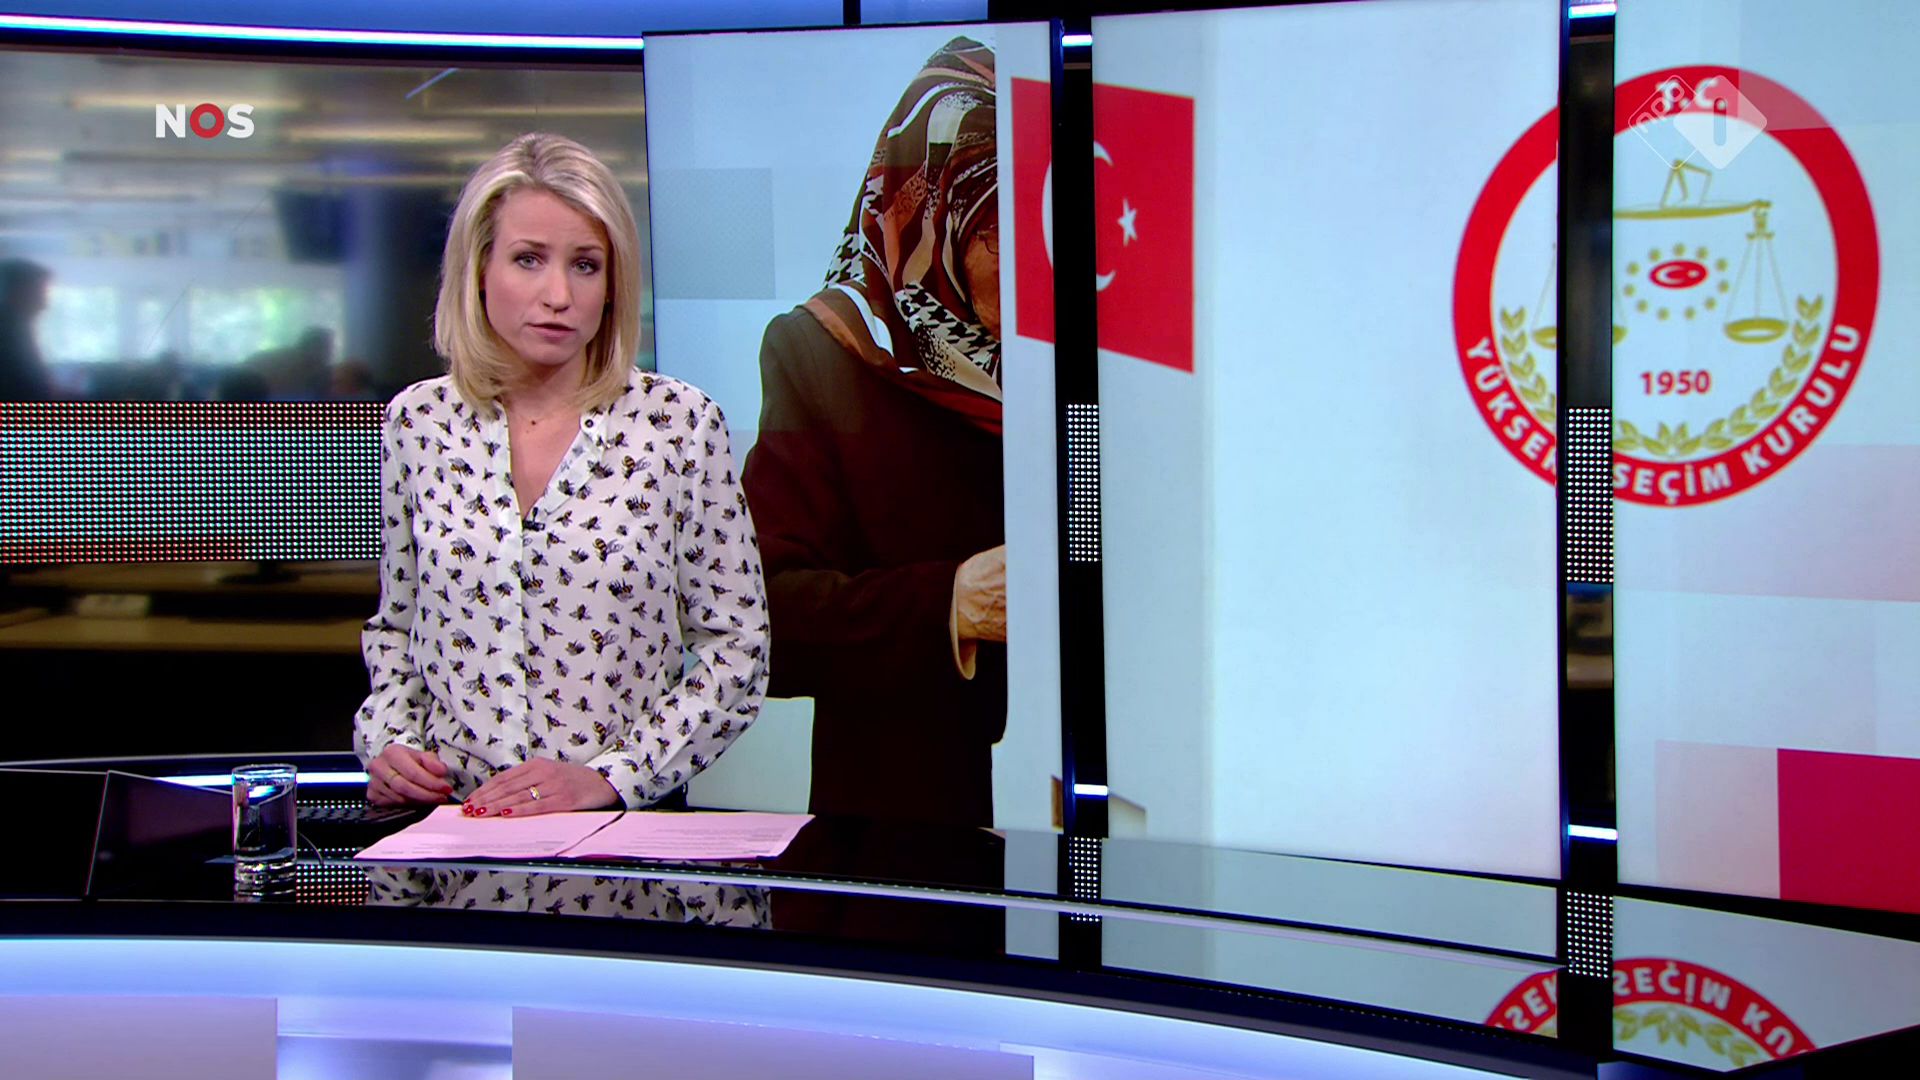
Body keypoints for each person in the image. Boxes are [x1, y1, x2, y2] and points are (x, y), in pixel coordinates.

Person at [355, 133, 768, 817]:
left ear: (612, 286)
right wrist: (388, 741)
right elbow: (398, 628)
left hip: (619, 836)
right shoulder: (418, 423)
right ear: (479, 269)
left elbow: (739, 648)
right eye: (528, 259)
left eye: (585, 265)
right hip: (452, 833)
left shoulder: (678, 425)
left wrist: (611, 778)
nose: (558, 295)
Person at [741, 38, 1007, 827]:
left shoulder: (1083, 361)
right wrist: (949, 605)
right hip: (903, 814)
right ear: (926, 213)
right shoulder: (824, 354)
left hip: (1092, 806)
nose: (1030, 263)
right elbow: (767, 617)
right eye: (995, 233)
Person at [0, 257, 53, 400]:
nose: (45, 304)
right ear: (19, 291)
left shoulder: (18, 326)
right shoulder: (8, 332)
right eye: (40, 293)